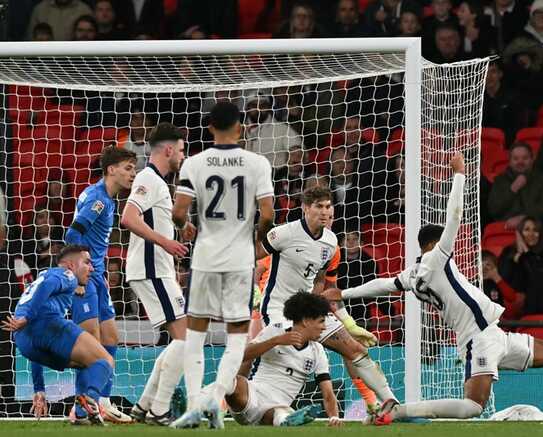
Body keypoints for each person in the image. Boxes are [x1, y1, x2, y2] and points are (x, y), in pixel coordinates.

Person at [322, 153, 543, 424]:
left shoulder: (413, 275)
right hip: (478, 339)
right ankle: (399, 410)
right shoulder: (436, 259)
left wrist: (343, 293)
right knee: (473, 407)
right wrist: (459, 175)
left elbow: (383, 285)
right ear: (433, 244)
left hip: (495, 334)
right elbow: (454, 217)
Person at [170, 102, 275, 429]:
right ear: (240, 128)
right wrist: (252, 236)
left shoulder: (195, 163)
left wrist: (185, 226)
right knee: (236, 335)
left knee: (196, 334)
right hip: (240, 260)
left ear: (210, 127)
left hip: (205, 259)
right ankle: (215, 400)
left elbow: (178, 211)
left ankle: (193, 406)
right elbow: (268, 214)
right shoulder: (257, 163)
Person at [257, 186, 398, 412]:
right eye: (319, 206)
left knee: (355, 349)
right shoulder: (284, 234)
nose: (325, 212)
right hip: (276, 308)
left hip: (307, 309)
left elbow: (322, 281)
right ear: (305, 208)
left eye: (328, 206)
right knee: (278, 357)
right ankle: (242, 405)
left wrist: (343, 321)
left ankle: (387, 406)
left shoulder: (331, 243)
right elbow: (254, 258)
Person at [39, 145, 135, 424]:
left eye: (133, 169)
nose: (132, 174)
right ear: (111, 169)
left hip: (97, 276)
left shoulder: (106, 197)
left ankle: (102, 402)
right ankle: (81, 409)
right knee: (91, 344)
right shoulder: (99, 200)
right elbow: (73, 232)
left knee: (110, 340)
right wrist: (77, 278)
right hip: (87, 278)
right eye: (128, 168)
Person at [120, 123, 194, 425]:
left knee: (182, 340)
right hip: (150, 270)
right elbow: (128, 217)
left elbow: (151, 218)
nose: (182, 156)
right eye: (180, 150)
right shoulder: (149, 178)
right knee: (186, 340)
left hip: (156, 270)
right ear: (167, 150)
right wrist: (166, 241)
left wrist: (178, 228)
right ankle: (159, 409)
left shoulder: (159, 182)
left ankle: (144, 405)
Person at [2, 246, 113, 425]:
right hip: (46, 323)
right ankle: (90, 401)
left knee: (85, 363)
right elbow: (47, 287)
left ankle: (80, 413)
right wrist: (27, 318)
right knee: (106, 360)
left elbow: (36, 340)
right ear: (71, 264)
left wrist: (39, 388)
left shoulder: (43, 276)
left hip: (24, 342)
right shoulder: (67, 274)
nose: (91, 268)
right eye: (87, 262)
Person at [225, 292, 340, 427]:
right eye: (321, 321)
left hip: (273, 409)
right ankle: (208, 405)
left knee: (280, 413)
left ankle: (285, 421)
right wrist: (275, 341)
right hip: (251, 395)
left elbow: (327, 393)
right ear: (306, 321)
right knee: (232, 382)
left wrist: (334, 417)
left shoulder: (318, 351)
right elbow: (243, 356)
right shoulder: (275, 330)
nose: (324, 327)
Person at [488, 142, 543, 228]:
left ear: (532, 159)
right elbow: (494, 210)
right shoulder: (500, 181)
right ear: (510, 161)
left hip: (537, 227)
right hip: (505, 226)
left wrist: (525, 219)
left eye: (525, 158)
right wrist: (512, 190)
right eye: (516, 159)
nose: (520, 162)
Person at [498, 216, 543, 316]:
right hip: (517, 307)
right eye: (526, 230)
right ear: (519, 233)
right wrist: (517, 259)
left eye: (535, 230)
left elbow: (541, 278)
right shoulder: (509, 252)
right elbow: (505, 277)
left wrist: (526, 254)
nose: (531, 234)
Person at [26, 0, 93, 41]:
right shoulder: (40, 9)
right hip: (44, 57)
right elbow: (30, 39)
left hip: (76, 58)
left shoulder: (84, 10)